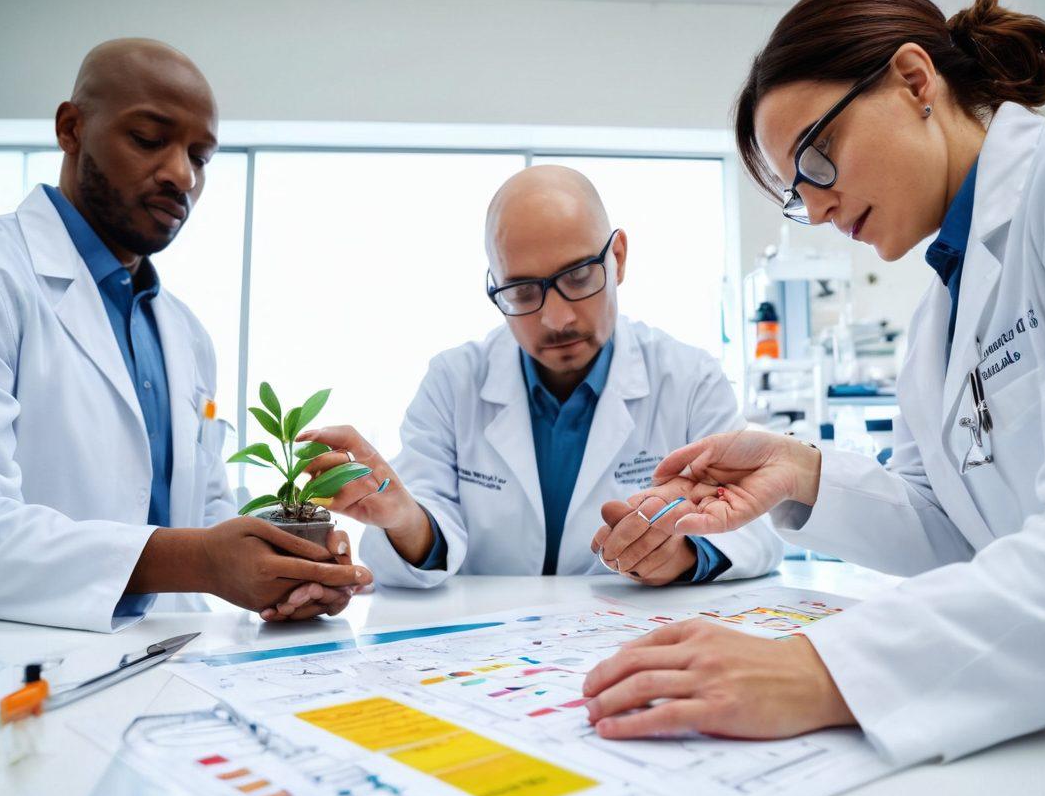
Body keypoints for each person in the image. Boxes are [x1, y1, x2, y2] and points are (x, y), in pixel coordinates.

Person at [583, 0, 1045, 767]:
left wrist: (820, 671)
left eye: (817, 157)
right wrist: (799, 472)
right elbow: (954, 535)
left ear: (915, 81)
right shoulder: (936, 321)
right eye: (795, 190)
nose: (815, 207)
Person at [0, 39, 369, 632]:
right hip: (29, 665)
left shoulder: (186, 334)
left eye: (201, 155)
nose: (182, 175)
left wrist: (292, 566)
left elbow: (207, 511)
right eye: (148, 139)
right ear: (71, 128)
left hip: (174, 656)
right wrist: (200, 561)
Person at [301, 165, 781, 586]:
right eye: (523, 290)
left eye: (576, 278)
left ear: (617, 258)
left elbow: (756, 530)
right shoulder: (454, 381)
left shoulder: (689, 379)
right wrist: (404, 518)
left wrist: (680, 555)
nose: (556, 319)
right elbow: (428, 517)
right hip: (483, 651)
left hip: (629, 640)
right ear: (495, 285)